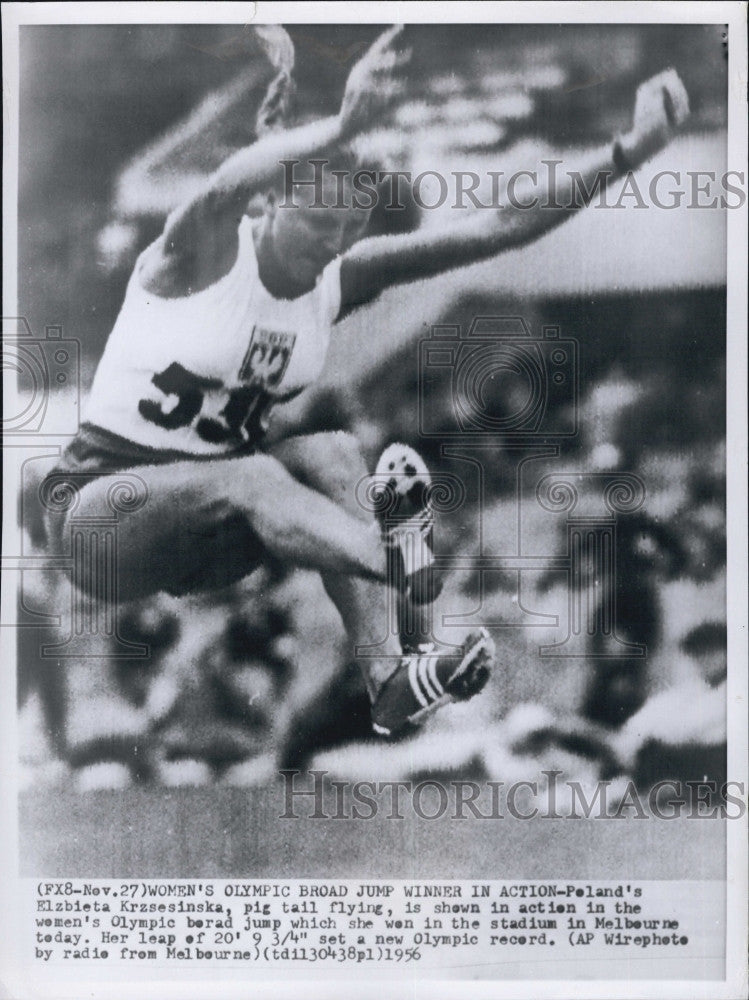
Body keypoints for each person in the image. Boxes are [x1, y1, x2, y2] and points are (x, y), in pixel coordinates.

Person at [43, 26, 689, 738]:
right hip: (102, 519)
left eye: (344, 229)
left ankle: (390, 677)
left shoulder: (333, 283)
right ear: (273, 203)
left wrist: (627, 153)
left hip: (202, 540)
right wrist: (345, 125)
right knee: (254, 475)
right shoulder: (200, 256)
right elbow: (228, 181)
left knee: (331, 453)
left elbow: (495, 228)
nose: (328, 241)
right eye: (315, 218)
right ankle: (403, 564)